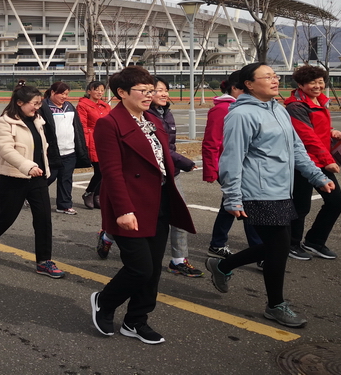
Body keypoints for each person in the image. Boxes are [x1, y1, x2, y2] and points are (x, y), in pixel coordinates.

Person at [207, 63, 335, 329]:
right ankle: (275, 305)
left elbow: (297, 148)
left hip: (281, 189)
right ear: (249, 84)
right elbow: (232, 158)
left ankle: (222, 266)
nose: (275, 80)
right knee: (279, 247)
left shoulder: (278, 109)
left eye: (275, 76)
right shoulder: (241, 115)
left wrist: (317, 176)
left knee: (278, 246)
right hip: (258, 190)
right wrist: (232, 197)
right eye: (267, 77)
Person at [89, 67, 195, 345]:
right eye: (144, 91)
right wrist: (124, 210)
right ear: (122, 93)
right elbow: (111, 172)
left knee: (154, 270)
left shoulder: (152, 120)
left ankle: (136, 320)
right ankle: (104, 301)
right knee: (140, 268)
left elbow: (163, 158)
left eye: (152, 90)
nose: (151, 95)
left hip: (158, 201)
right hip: (129, 204)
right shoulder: (109, 124)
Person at [0, 85, 65, 279]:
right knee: (6, 217)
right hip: (13, 178)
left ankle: (44, 261)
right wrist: (27, 166)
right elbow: (6, 150)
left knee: (43, 219)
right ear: (19, 102)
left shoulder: (38, 120)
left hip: (38, 177)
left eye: (39, 103)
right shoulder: (5, 122)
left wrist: (45, 167)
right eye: (34, 103)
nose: (37, 107)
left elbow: (43, 146)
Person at [284, 65, 341, 260]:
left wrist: (331, 131)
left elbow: (317, 128)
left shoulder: (319, 101)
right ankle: (291, 244)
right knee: (301, 206)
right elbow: (307, 137)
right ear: (301, 85)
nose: (318, 86)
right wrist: (328, 161)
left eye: (320, 82)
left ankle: (315, 241)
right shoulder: (296, 106)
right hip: (304, 162)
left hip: (320, 160)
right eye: (312, 82)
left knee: (335, 202)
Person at [146, 77, 203, 278]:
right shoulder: (144, 116)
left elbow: (169, 146)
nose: (164, 94)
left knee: (179, 214)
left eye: (165, 90)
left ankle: (178, 260)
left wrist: (177, 163)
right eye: (158, 90)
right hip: (151, 175)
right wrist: (184, 162)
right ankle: (109, 235)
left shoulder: (166, 113)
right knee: (144, 217)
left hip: (171, 172)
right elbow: (160, 148)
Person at [202, 72, 263, 259]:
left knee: (230, 204)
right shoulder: (222, 109)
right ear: (235, 88)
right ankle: (259, 251)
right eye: (246, 90)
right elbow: (211, 142)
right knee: (247, 204)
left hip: (245, 165)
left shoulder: (243, 107)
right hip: (229, 166)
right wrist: (211, 171)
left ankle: (218, 243)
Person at [39, 81, 91, 215]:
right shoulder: (43, 107)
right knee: (49, 177)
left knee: (66, 179)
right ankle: (31, 194)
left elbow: (77, 127)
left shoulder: (69, 106)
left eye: (66, 94)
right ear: (52, 92)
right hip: (52, 151)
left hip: (70, 150)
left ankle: (64, 205)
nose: (64, 97)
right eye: (61, 93)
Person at [77, 81, 111, 210]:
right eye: (96, 89)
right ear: (89, 91)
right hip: (92, 139)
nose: (100, 92)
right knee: (100, 169)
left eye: (102, 90)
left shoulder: (105, 106)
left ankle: (97, 195)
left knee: (106, 170)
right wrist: (85, 144)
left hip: (106, 139)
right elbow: (82, 125)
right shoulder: (83, 105)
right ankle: (89, 192)